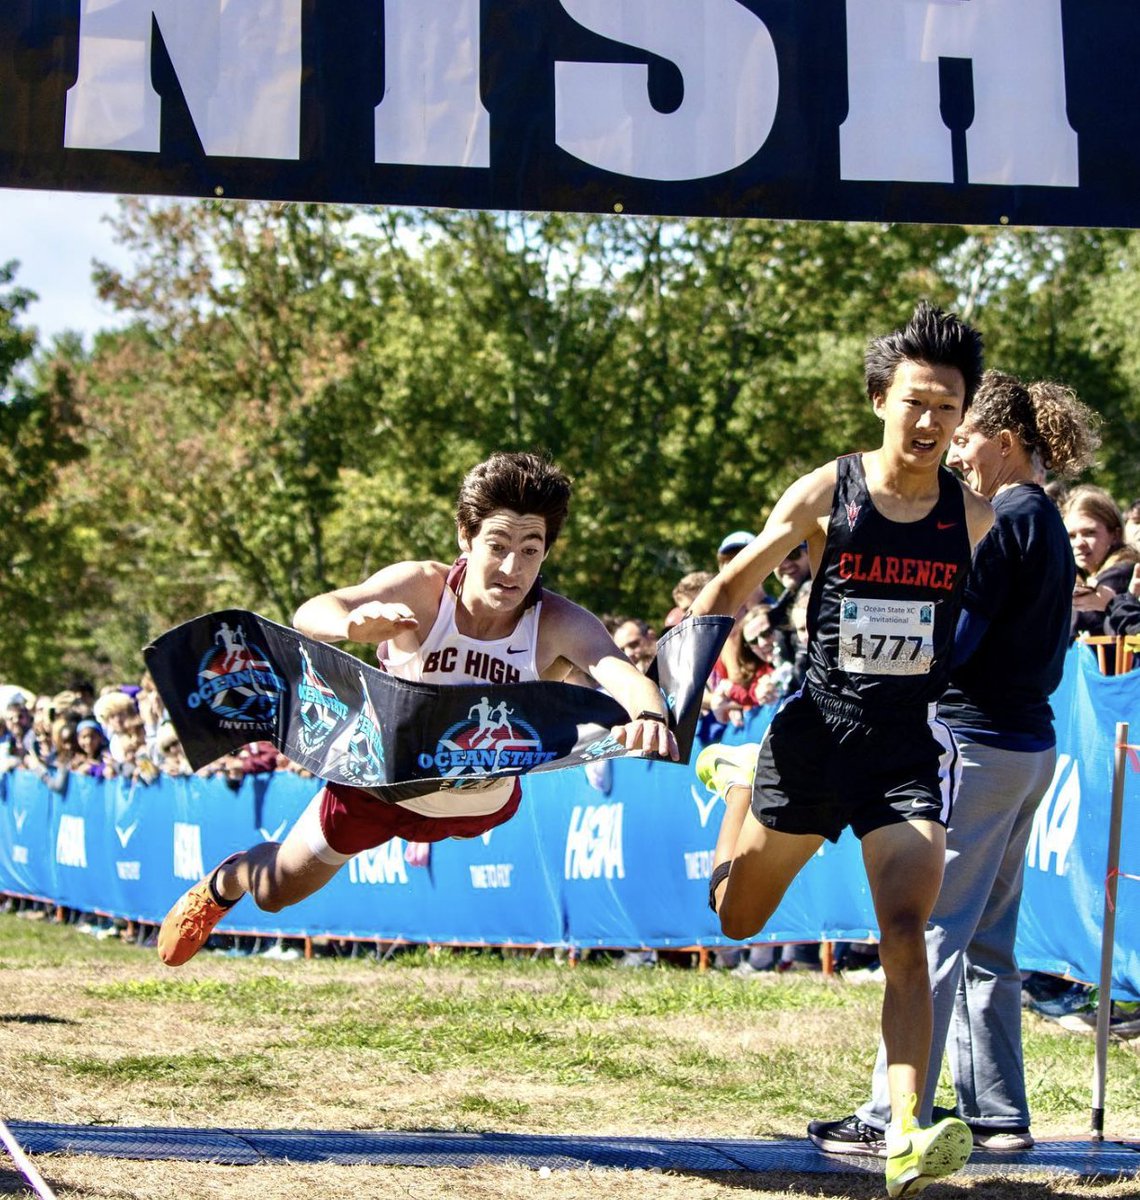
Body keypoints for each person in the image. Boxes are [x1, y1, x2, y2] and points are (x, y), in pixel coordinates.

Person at [690, 301, 991, 1197]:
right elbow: (734, 587)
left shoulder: (973, 518)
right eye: (915, 402)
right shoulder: (830, 491)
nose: (930, 420)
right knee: (737, 919)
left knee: (906, 931)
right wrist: (689, 668)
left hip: (902, 754)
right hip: (814, 736)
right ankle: (738, 788)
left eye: (946, 405)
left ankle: (905, 1128)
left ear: (963, 414)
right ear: (880, 402)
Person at [158, 452, 678, 966]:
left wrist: (650, 718)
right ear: (465, 537)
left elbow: (624, 674)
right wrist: (353, 624)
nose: (512, 567)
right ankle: (227, 879)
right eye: (497, 545)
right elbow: (312, 611)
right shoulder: (425, 589)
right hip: (379, 786)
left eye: (530, 549)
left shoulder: (560, 622)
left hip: (479, 802)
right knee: (277, 893)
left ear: (546, 552)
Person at [807, 370, 1100, 1157]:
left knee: (929, 930)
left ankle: (888, 1114)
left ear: (1005, 441)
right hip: (1029, 747)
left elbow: (958, 639)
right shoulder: (1046, 519)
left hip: (978, 745)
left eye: (965, 435)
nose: (955, 451)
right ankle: (999, 1114)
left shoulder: (1002, 518)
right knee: (988, 944)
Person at [1064, 486, 1140, 639]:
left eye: (1089, 532)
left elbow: (1077, 621)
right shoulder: (1078, 574)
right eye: (1071, 536)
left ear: (1115, 535)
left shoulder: (1122, 571)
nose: (1079, 543)